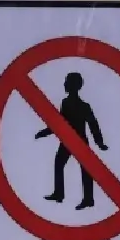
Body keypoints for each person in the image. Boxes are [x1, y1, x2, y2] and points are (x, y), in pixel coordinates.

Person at [36, 72, 107, 210]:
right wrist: (44, 132)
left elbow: (93, 124)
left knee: (85, 170)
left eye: (66, 82)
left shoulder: (84, 106)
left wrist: (100, 143)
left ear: (73, 85)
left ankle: (88, 199)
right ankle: (59, 193)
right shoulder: (65, 103)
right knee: (59, 164)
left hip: (79, 141)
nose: (64, 84)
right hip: (68, 141)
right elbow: (59, 122)